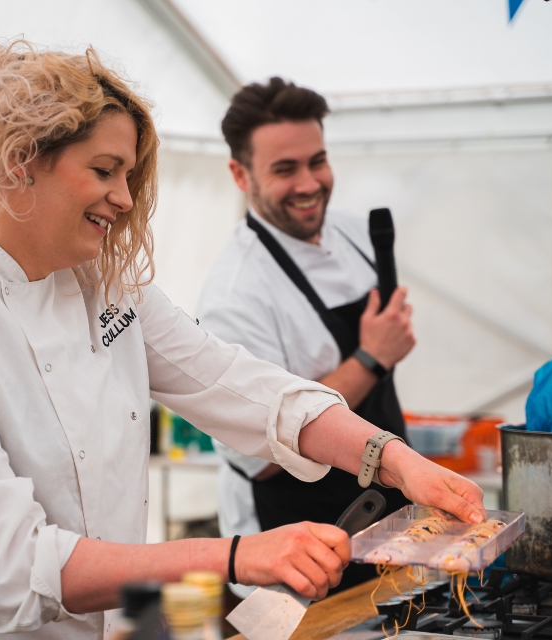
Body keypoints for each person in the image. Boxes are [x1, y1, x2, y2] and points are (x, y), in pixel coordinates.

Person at [0, 34, 485, 640]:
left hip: (120, 622)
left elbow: (241, 387)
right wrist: (238, 557)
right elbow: (11, 571)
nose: (125, 199)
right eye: (105, 170)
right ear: (23, 161)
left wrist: (398, 462)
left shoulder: (108, 289)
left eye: (128, 174)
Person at [198, 78, 418, 594]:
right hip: (296, 545)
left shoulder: (349, 233)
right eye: (284, 169)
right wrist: (370, 358)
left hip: (388, 521)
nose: (309, 184)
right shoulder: (235, 295)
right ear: (239, 174)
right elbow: (261, 457)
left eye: (317, 161)